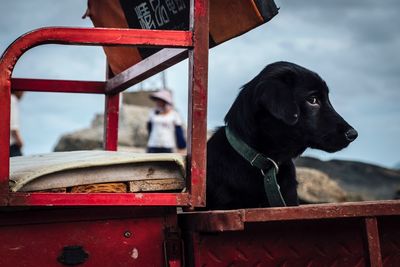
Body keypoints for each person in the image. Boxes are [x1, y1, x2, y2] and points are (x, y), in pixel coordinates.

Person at [10, 91, 24, 157]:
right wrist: (20, 141)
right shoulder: (12, 99)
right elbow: (13, 125)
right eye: (22, 91)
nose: (23, 94)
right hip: (11, 144)